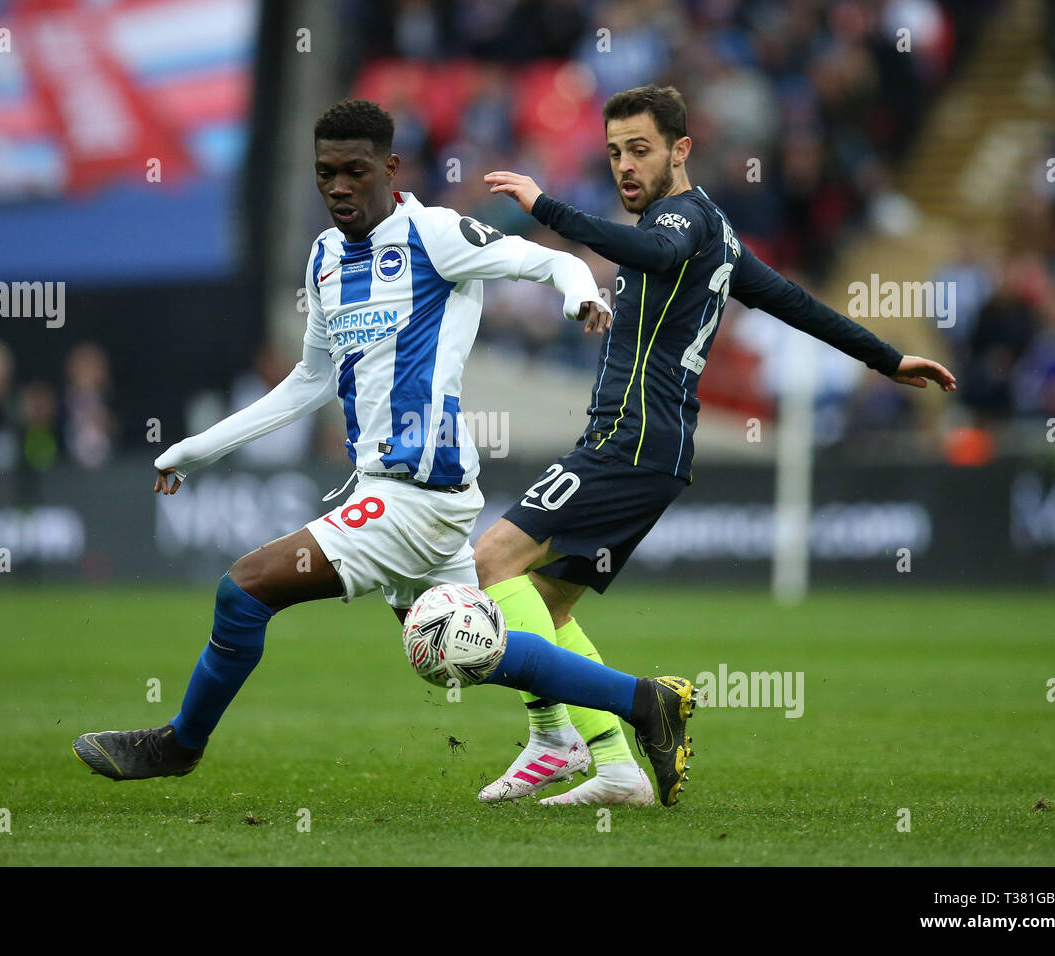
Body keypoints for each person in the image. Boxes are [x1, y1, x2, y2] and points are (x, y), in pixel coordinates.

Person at [72, 99, 698, 806]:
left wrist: (579, 296)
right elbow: (309, 381)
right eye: (324, 174)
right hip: (395, 490)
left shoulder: (433, 234)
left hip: (415, 496)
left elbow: (543, 261)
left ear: (389, 169)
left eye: (354, 171)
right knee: (466, 651)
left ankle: (179, 746)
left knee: (243, 589)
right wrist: (195, 449)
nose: (338, 186)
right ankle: (643, 704)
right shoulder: (325, 258)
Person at [471, 85, 958, 806]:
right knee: (546, 602)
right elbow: (795, 302)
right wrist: (887, 358)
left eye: (640, 149)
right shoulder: (720, 235)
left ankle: (580, 729)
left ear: (681, 149)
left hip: (628, 442)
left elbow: (650, 245)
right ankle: (613, 768)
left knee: (490, 562)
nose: (625, 166)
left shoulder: (683, 218)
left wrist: (547, 208)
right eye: (613, 153)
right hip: (650, 448)